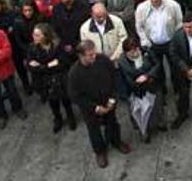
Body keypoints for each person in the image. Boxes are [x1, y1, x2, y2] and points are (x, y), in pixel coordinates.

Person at [68, 40, 131, 168]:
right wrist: (95, 108)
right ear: (81, 56)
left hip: (108, 101)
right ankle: (100, 151)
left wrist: (112, 99)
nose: (94, 57)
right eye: (90, 55)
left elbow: (114, 78)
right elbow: (75, 96)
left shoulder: (103, 60)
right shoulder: (74, 73)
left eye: (94, 53)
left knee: (112, 122)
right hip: (91, 108)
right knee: (93, 129)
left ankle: (116, 141)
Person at [27, 23, 76, 133]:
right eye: (34, 34)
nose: (34, 37)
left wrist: (41, 66)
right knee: (53, 102)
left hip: (60, 79)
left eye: (37, 35)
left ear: (45, 35)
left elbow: (64, 63)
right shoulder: (32, 48)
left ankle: (70, 116)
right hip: (45, 82)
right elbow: (31, 66)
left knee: (66, 100)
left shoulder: (58, 45)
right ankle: (57, 119)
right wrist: (48, 66)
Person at [118, 37, 166, 142]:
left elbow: (157, 65)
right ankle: (143, 131)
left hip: (151, 86)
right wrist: (126, 96)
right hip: (135, 91)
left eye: (136, 49)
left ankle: (159, 123)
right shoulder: (122, 62)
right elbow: (122, 81)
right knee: (140, 112)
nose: (135, 53)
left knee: (156, 107)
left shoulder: (146, 52)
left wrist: (148, 76)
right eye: (131, 51)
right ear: (126, 52)